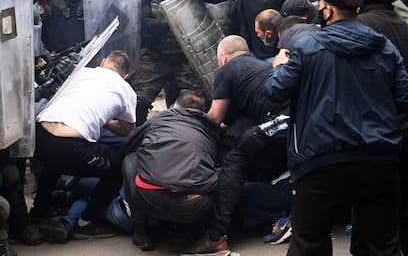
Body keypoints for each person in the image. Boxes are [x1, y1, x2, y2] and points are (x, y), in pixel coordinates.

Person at [265, 0, 408, 256]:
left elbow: (275, 91)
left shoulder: (307, 47)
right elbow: (407, 100)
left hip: (321, 161)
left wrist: (278, 66)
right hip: (378, 160)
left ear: (327, 10)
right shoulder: (384, 48)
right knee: (383, 245)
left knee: (309, 243)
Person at [180, 35, 291, 255]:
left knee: (234, 161)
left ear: (222, 57)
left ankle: (216, 237)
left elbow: (215, 116)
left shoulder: (226, 70)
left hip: (281, 120)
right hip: (295, 124)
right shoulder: (260, 65)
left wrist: (188, 122)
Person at [29, 50, 136, 239]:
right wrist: (106, 120)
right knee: (119, 169)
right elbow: (128, 129)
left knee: (54, 162)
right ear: (125, 76)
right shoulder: (125, 89)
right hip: (71, 147)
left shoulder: (82, 72)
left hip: (40, 139)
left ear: (103, 63)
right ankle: (86, 221)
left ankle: (39, 210)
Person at [347, 0, 408, 256]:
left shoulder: (365, 25)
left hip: (377, 127)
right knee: (402, 203)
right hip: (405, 122)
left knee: (370, 206)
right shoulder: (400, 19)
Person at [121, 89, 221, 251]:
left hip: (148, 197)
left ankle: (141, 232)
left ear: (174, 106)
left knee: (130, 160)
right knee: (219, 173)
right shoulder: (211, 128)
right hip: (193, 205)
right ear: (202, 112)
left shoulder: (160, 117)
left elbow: (128, 146)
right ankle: (191, 233)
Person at [129, 0, 205, 126]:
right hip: (156, 56)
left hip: (185, 57)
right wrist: (170, 21)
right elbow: (145, 28)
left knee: (197, 102)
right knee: (137, 101)